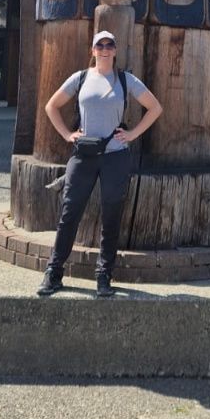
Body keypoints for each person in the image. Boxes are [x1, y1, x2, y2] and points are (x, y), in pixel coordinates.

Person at [37, 29, 162, 298]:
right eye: (100, 45)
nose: (104, 49)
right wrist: (67, 134)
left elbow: (155, 108)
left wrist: (132, 134)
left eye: (109, 45)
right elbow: (51, 106)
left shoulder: (125, 80)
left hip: (115, 156)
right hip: (84, 155)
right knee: (70, 213)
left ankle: (104, 275)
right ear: (93, 50)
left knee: (111, 216)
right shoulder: (80, 78)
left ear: (115, 50)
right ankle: (54, 272)